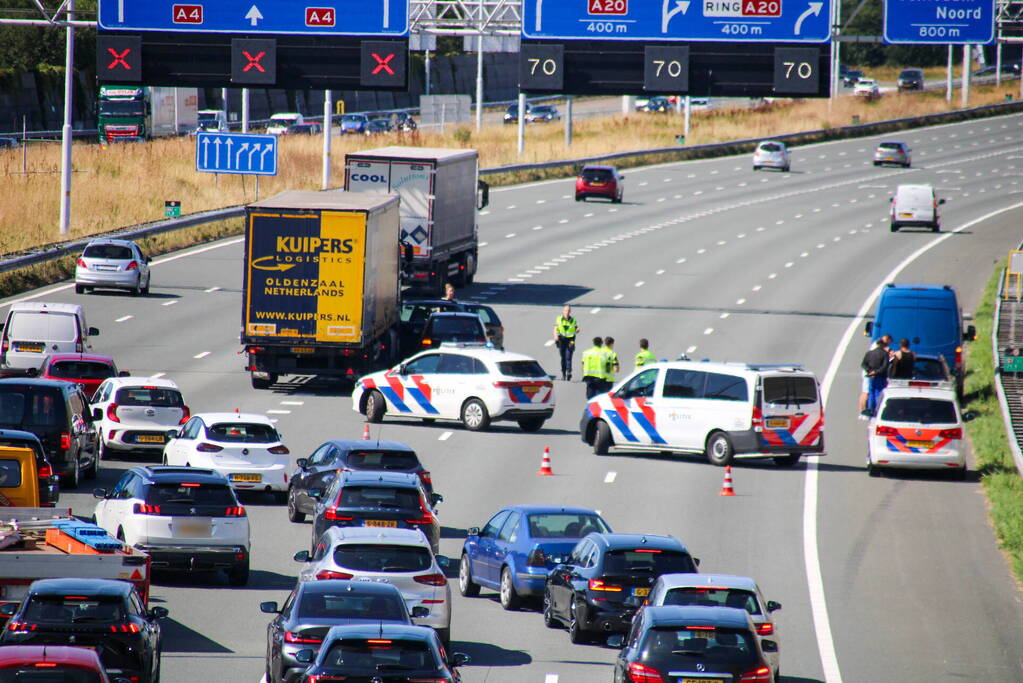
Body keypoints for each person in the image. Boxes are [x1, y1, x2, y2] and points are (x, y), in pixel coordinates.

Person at [861, 335, 891, 417]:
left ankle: (871, 409)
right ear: (882, 345)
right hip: (880, 376)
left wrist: (870, 371)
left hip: (871, 376)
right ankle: (878, 410)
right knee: (879, 393)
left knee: (871, 392)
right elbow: (885, 366)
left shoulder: (870, 353)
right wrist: (876, 372)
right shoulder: (884, 354)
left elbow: (863, 364)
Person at [553, 305, 579, 381]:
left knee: (569, 356)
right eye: (565, 310)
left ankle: (569, 372)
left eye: (568, 311)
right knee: (563, 357)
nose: (567, 312)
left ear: (570, 312)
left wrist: (578, 329)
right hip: (561, 340)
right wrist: (555, 336)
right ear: (563, 311)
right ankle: (563, 373)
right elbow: (555, 328)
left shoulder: (573, 320)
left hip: (570, 340)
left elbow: (576, 327)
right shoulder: (559, 319)